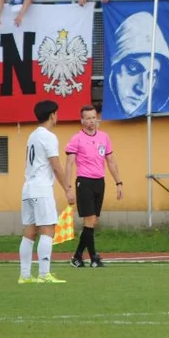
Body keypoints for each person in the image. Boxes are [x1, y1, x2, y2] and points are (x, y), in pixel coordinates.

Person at [19, 100, 75, 285]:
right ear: (52, 115)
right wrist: (67, 188)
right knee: (48, 230)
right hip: (42, 189)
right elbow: (56, 165)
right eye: (56, 113)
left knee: (30, 231)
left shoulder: (32, 136)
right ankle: (44, 274)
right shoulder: (49, 136)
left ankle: (25, 276)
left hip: (28, 188)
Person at [66, 105, 122, 268]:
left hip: (100, 181)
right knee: (89, 219)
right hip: (84, 181)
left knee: (93, 221)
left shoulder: (104, 137)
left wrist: (118, 182)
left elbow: (110, 161)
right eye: (88, 118)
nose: (91, 121)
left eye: (93, 117)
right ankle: (94, 257)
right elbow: (69, 164)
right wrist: (68, 187)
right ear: (82, 120)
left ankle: (77, 256)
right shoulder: (76, 138)